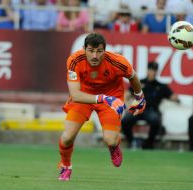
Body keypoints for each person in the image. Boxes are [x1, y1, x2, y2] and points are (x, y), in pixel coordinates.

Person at [57, 32, 146, 181]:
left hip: (112, 99)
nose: (95, 56)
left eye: (99, 51)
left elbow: (133, 76)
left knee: (110, 140)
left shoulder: (118, 61)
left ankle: (114, 147)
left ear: (105, 50)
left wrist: (140, 97)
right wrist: (103, 98)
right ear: (84, 49)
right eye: (91, 51)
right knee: (67, 137)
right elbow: (76, 95)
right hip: (85, 98)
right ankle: (66, 166)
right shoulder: (74, 61)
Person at [121, 62, 179, 149]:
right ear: (147, 70)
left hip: (151, 110)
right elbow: (127, 94)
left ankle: (149, 143)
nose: (153, 72)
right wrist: (126, 104)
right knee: (125, 120)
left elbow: (174, 97)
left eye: (154, 70)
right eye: (151, 70)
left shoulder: (161, 86)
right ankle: (131, 141)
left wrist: (176, 98)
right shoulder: (139, 82)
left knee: (155, 120)